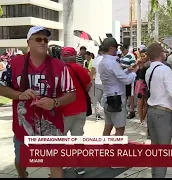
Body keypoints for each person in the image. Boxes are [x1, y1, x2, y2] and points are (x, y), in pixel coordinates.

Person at [0, 26, 76, 178]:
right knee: (21, 160)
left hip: (52, 127)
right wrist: (20, 95)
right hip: (24, 126)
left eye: (46, 40)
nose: (43, 42)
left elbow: (72, 94)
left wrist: (54, 102)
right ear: (28, 42)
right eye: (39, 39)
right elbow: (1, 87)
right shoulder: (15, 64)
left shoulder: (59, 66)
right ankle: (23, 175)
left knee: (55, 163)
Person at [145, 43, 172, 178]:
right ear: (161, 54)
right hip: (163, 112)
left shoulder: (149, 70)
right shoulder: (165, 70)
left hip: (151, 111)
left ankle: (155, 175)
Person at [60, 47, 91, 175]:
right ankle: (80, 166)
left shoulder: (59, 71)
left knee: (60, 139)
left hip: (64, 110)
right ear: (75, 56)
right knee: (78, 138)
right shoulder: (81, 69)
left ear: (62, 57)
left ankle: (61, 165)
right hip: (80, 109)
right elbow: (88, 85)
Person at [98, 38, 137, 137]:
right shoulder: (113, 63)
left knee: (108, 126)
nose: (117, 50)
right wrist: (134, 73)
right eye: (116, 47)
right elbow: (126, 80)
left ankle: (104, 149)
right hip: (116, 99)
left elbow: (116, 77)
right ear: (111, 48)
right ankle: (116, 150)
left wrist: (128, 70)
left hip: (108, 97)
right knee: (120, 129)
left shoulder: (103, 62)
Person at [120, 44, 136, 119]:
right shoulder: (123, 56)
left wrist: (124, 67)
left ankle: (132, 110)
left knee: (130, 95)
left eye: (123, 50)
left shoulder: (131, 56)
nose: (122, 51)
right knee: (125, 94)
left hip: (130, 77)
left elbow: (133, 66)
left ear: (127, 49)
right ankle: (125, 110)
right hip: (124, 77)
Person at [135, 49, 150, 126]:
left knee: (145, 104)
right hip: (141, 84)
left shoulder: (147, 64)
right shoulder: (141, 64)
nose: (143, 57)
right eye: (142, 56)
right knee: (141, 103)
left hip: (144, 84)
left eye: (144, 56)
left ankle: (143, 119)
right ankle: (142, 120)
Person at [90, 46, 104, 120]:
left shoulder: (95, 60)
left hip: (98, 82)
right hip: (106, 82)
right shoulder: (106, 59)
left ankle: (97, 115)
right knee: (106, 99)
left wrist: (90, 81)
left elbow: (92, 72)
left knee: (97, 100)